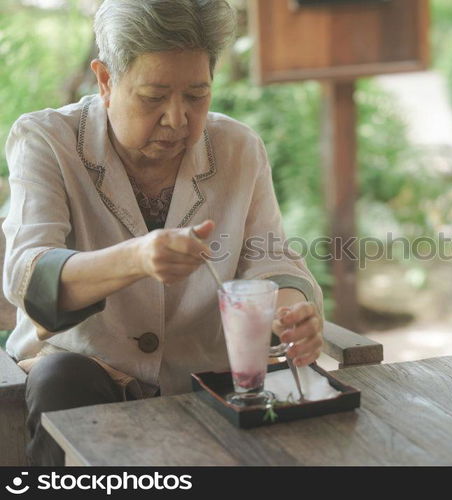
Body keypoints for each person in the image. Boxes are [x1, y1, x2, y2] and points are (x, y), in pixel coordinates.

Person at [2, 0, 324, 466]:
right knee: (61, 380)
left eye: (197, 95)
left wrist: (291, 313)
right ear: (106, 81)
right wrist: (135, 258)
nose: (178, 119)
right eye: (153, 97)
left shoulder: (237, 148)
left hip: (207, 379)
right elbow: (29, 274)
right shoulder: (47, 140)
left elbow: (271, 260)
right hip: (87, 373)